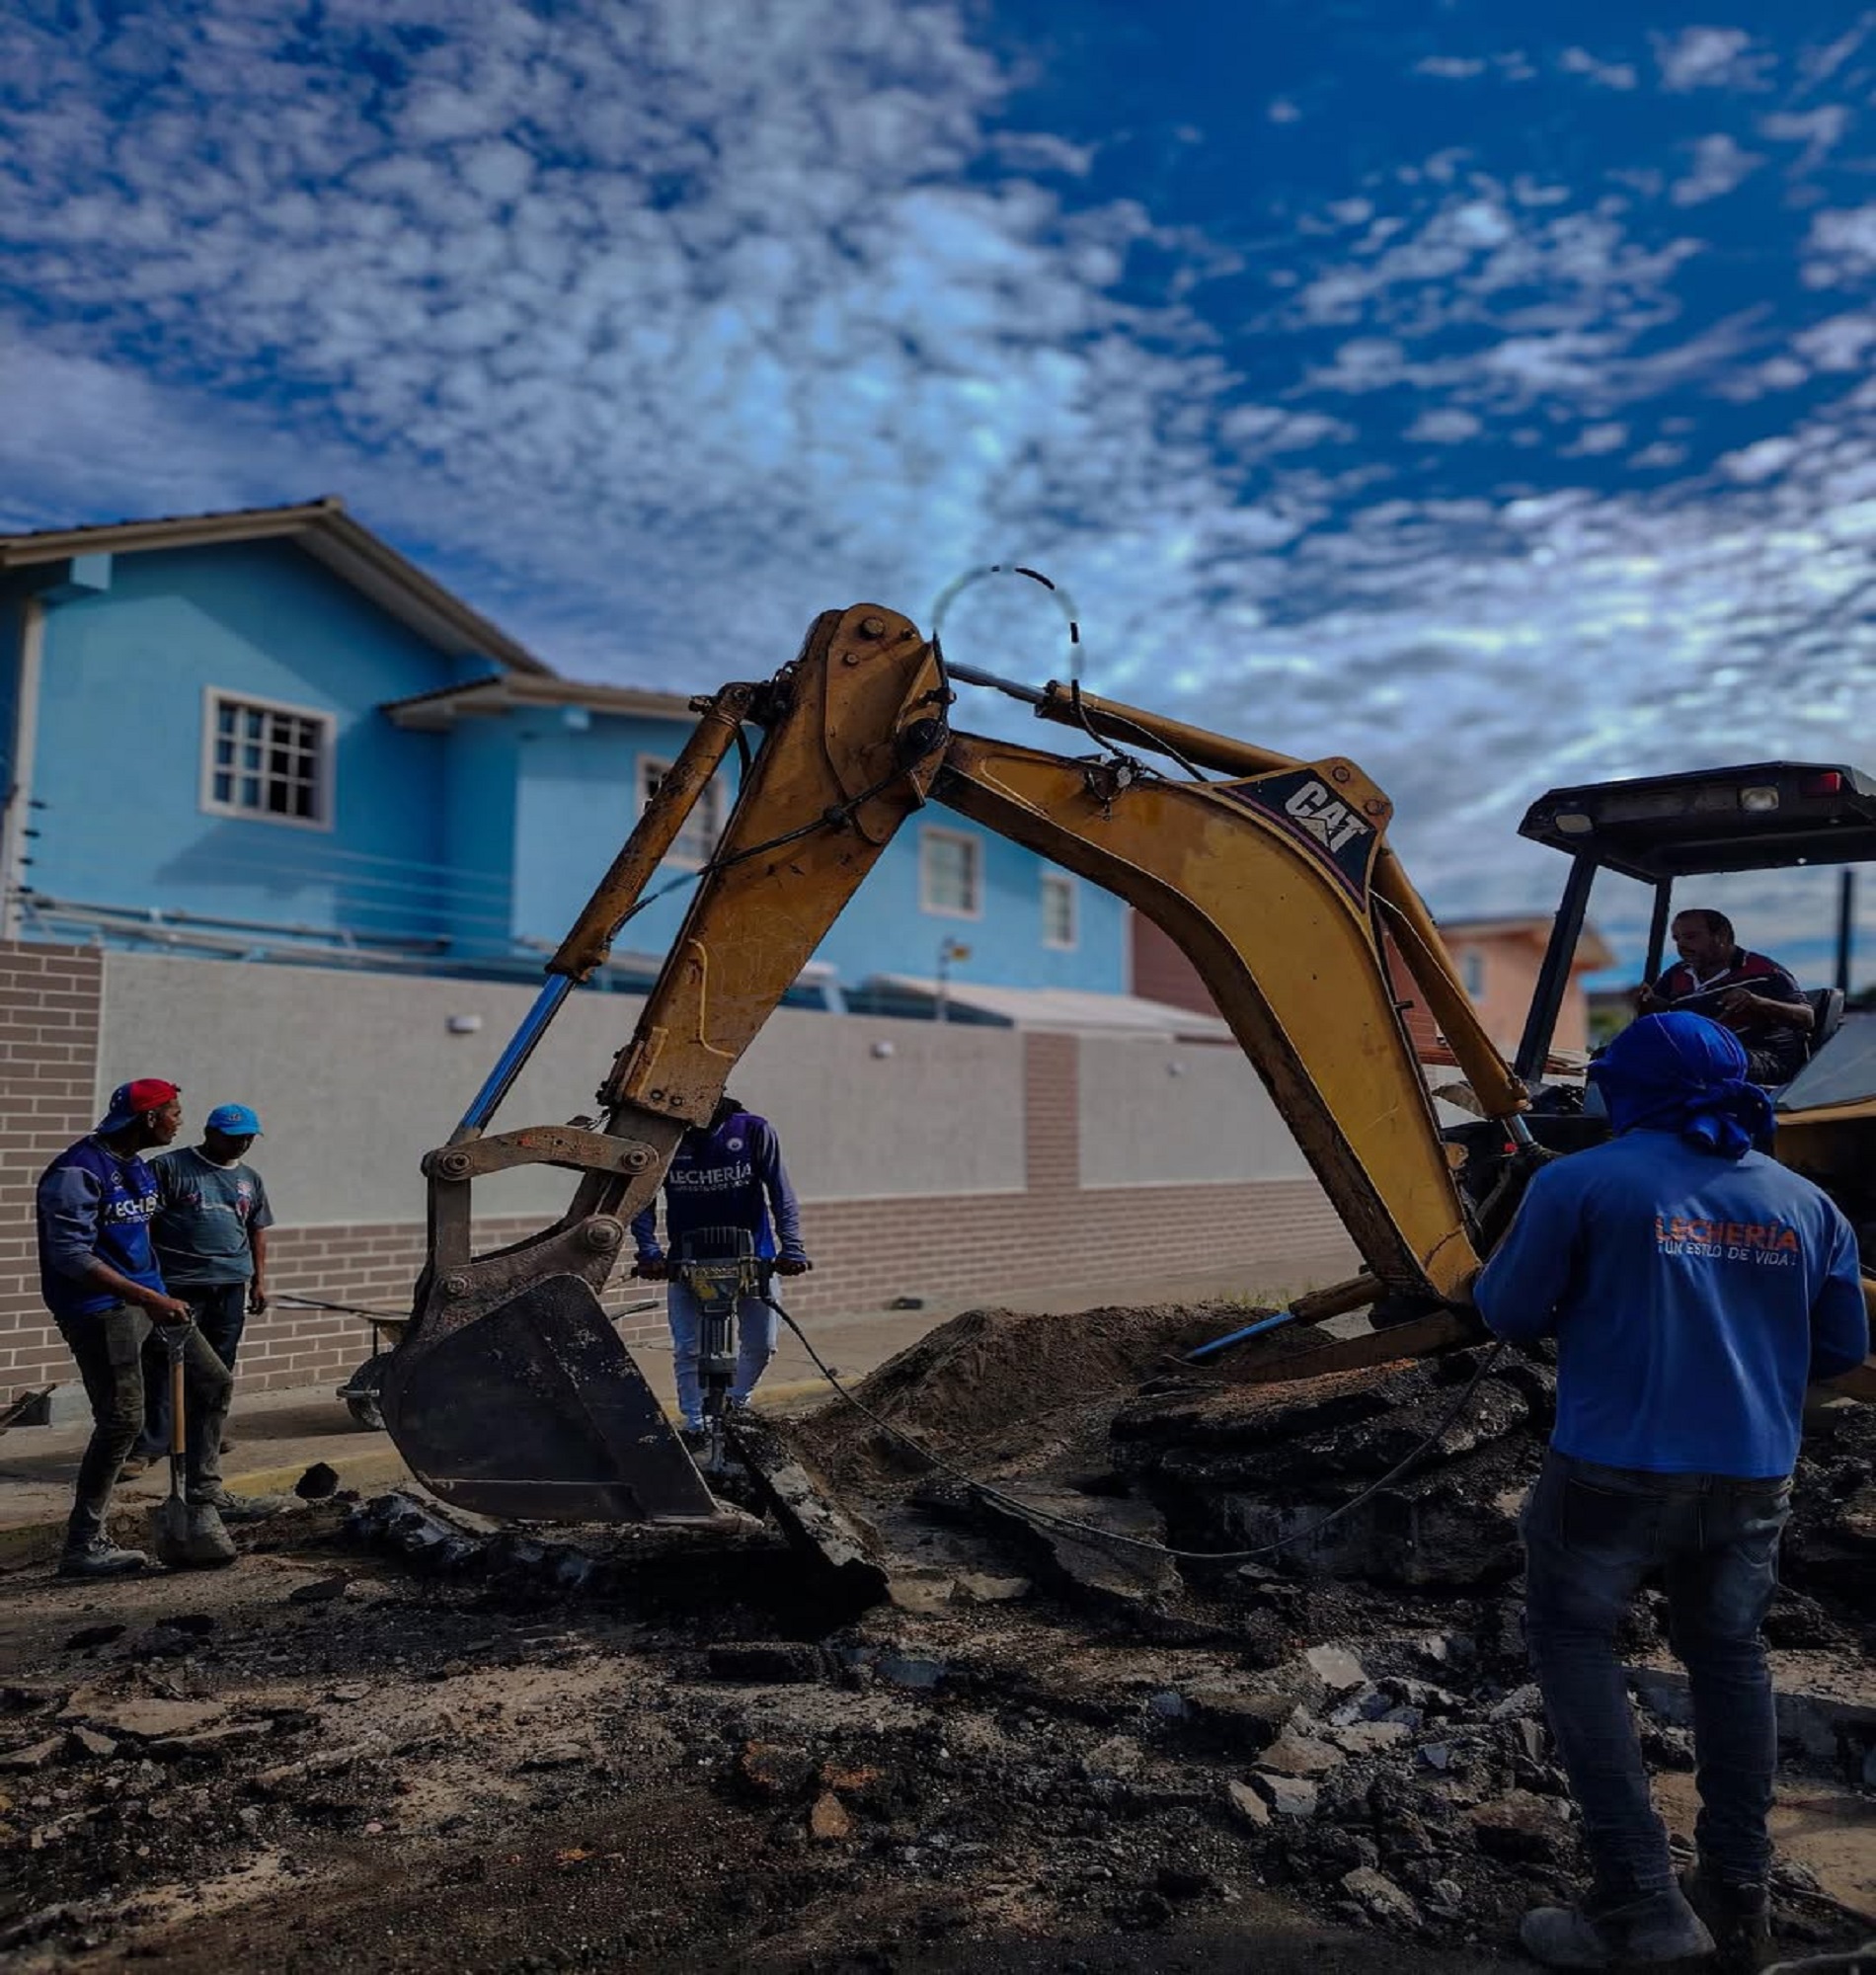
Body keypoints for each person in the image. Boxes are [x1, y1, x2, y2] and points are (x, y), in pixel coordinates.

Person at [1473, 1013, 1869, 1970]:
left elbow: (1507, 1309)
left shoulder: (1577, 1181)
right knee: (1730, 1655)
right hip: (1751, 1475)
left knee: (1571, 1637)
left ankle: (1639, 1903)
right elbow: (1844, 1351)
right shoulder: (1805, 1205)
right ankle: (1737, 1895)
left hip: (1608, 1470)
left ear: (1631, 1090)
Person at [35, 1079, 237, 1579]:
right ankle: (83, 1545)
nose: (179, 1121)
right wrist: (147, 1297)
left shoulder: (138, 1169)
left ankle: (204, 1494)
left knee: (213, 1382)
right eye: (174, 1112)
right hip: (102, 1309)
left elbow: (141, 1241)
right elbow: (71, 1257)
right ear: (149, 1119)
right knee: (123, 1420)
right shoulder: (77, 1172)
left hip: (154, 1301)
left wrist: (162, 1293)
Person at [629, 1093, 811, 1438]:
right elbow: (642, 1199)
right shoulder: (665, 1141)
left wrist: (793, 1249)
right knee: (689, 1349)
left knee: (761, 1343)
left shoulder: (754, 1130)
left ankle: (734, 1404)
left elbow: (781, 1194)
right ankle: (697, 1424)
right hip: (688, 1262)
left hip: (753, 1258)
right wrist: (649, 1253)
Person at [136, 1102, 274, 1463]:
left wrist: (259, 1281)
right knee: (164, 1362)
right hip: (179, 1285)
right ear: (210, 1134)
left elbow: (257, 1229)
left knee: (217, 1365)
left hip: (229, 1285)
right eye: (232, 1139)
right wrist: (150, 1283)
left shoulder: (250, 1178)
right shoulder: (169, 1167)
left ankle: (204, 1437)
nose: (240, 1145)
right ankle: (153, 1442)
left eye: (247, 1139)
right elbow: (143, 1226)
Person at [1637, 909, 1813, 1086]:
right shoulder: (1676, 974)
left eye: (1690, 937)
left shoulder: (1764, 971)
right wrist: (1645, 1002)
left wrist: (1757, 1002)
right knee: (1623, 1056)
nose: (1681, 945)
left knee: (1691, 1058)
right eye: (1677, 939)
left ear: (1721, 936)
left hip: (1762, 1059)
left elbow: (1807, 1018)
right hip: (1701, 1054)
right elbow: (1654, 1015)